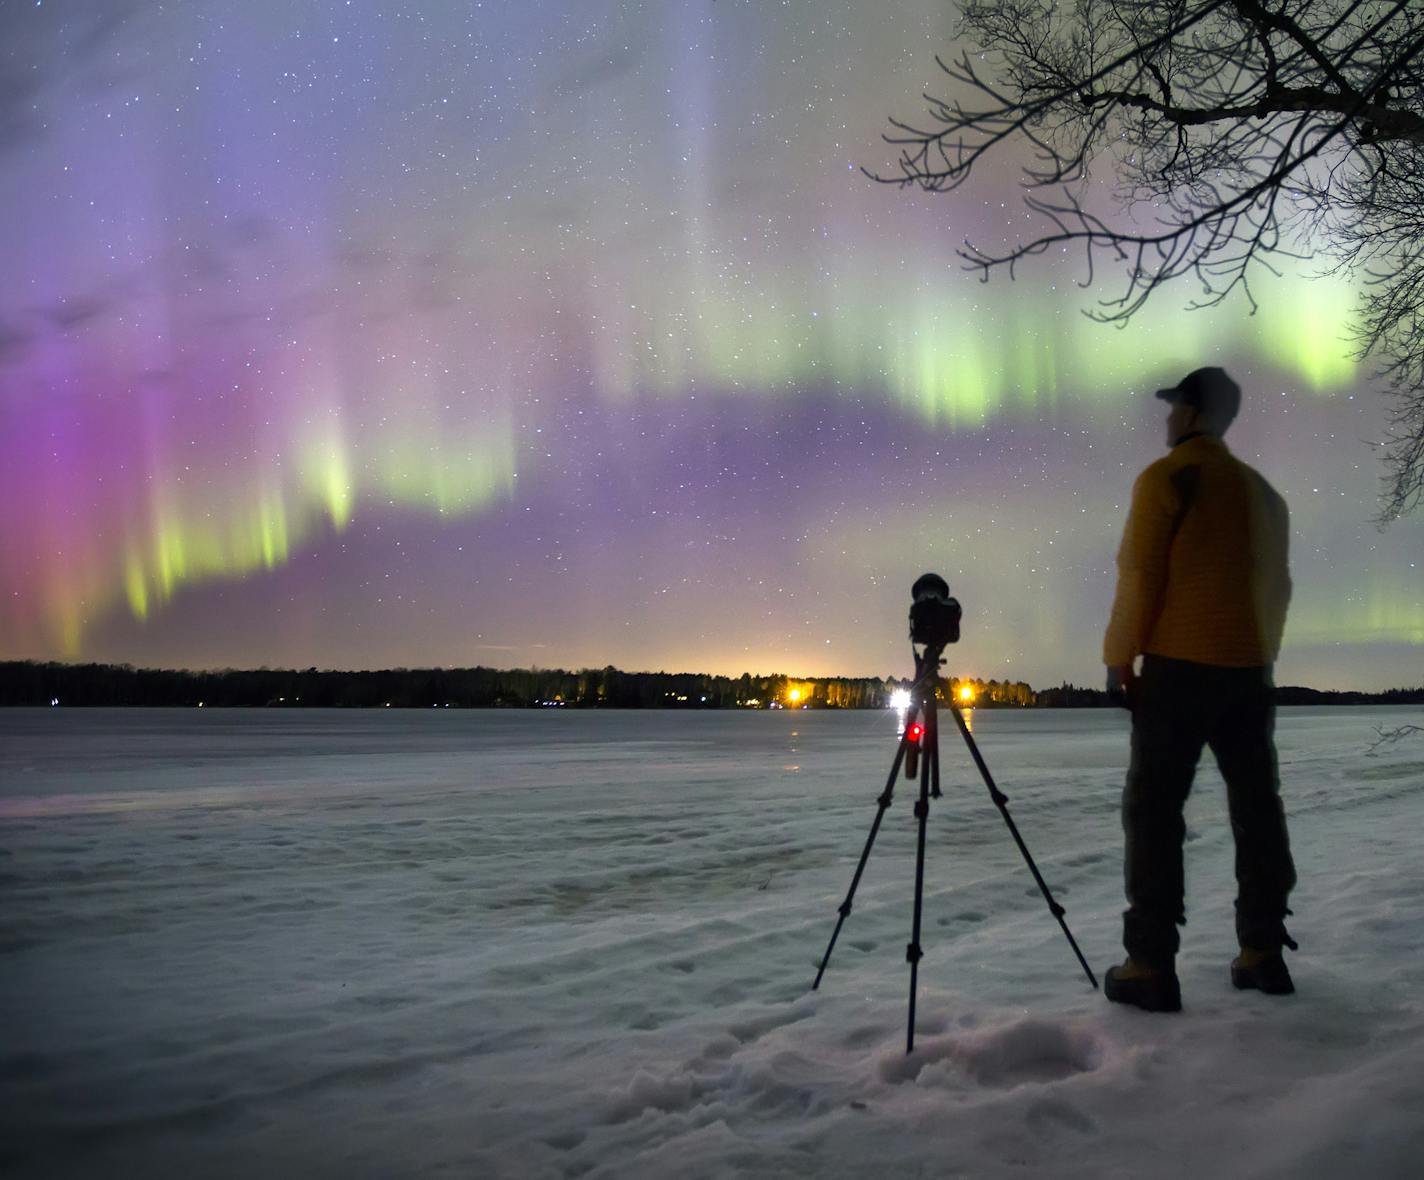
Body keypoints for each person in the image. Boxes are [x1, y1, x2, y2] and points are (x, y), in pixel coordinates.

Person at [1102, 367, 1297, 1012]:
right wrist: (1257, 654)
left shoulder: (1167, 479)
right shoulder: (1263, 494)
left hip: (1177, 670)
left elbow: (1140, 574)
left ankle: (1149, 963)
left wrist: (1118, 657)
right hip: (1248, 672)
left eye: (1172, 408)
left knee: (1155, 811)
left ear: (1189, 413)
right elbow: (1277, 588)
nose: (1165, 419)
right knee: (1257, 809)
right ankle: (1262, 952)